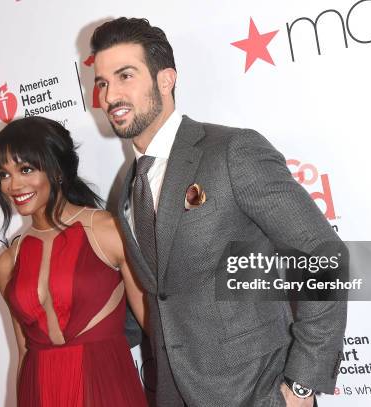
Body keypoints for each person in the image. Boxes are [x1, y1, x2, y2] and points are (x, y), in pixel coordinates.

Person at [90, 17, 348, 407]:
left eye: (126, 76)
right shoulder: (127, 186)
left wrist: (300, 387)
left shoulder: (231, 152)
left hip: (256, 394)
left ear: (166, 79)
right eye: (103, 83)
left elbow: (323, 256)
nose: (111, 96)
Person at [0, 116, 148, 407]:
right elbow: (23, 351)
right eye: (3, 174)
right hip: (41, 390)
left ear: (57, 170)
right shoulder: (9, 261)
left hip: (105, 386)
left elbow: (152, 323)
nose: (13, 185)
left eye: (25, 169)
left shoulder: (104, 230)